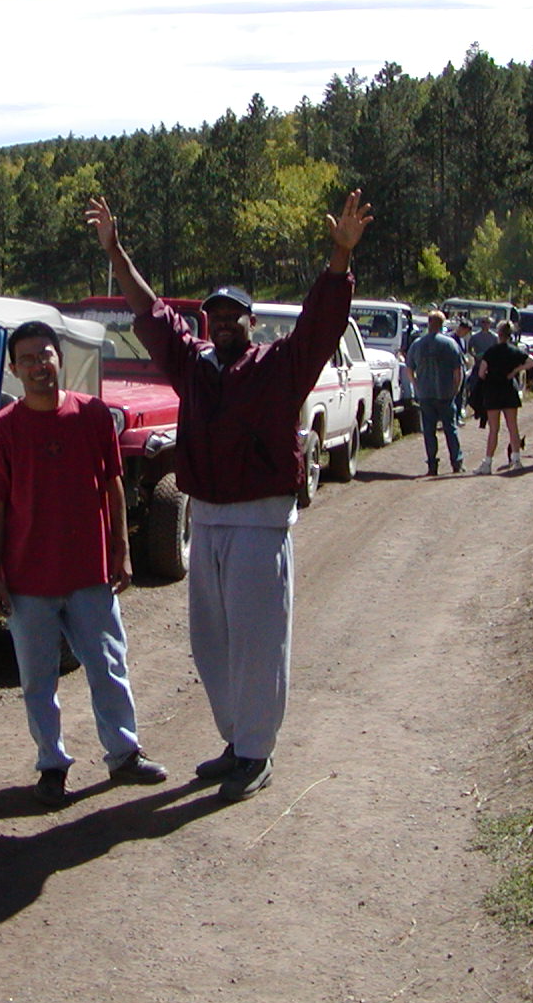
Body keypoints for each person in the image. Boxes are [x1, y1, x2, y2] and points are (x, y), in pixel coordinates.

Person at [88, 190, 371, 803]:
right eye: (213, 316)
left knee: (258, 641)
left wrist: (339, 260)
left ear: (251, 321)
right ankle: (236, 738)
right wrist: (116, 252)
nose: (221, 323)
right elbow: (152, 312)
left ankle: (257, 752)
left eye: (232, 315)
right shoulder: (192, 367)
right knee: (211, 641)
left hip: (259, 525)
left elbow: (320, 325)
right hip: (209, 521)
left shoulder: (280, 365)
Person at [0, 320, 167, 807]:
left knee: (108, 665)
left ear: (60, 360)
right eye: (28, 359)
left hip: (89, 573)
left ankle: (124, 753)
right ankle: (51, 765)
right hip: (27, 579)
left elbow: (113, 484)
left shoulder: (94, 417)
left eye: (46, 356)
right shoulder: (0, 431)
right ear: (13, 370)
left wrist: (120, 548)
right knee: (38, 679)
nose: (39, 366)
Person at [405, 309, 465, 476]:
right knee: (450, 428)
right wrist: (456, 389)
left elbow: (409, 368)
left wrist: (416, 385)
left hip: (425, 393)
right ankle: (456, 462)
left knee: (429, 430)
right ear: (442, 324)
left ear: (429, 323)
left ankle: (432, 464)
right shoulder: (450, 344)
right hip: (445, 393)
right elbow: (457, 370)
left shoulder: (417, 344)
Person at [472, 319, 533, 474]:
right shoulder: (514, 351)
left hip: (493, 390)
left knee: (494, 429)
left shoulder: (491, 351)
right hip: (508, 389)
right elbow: (532, 361)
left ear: (498, 334)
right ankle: (516, 460)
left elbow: (481, 372)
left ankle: (487, 463)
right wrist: (515, 371)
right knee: (512, 427)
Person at [451, 317, 475, 426]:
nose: (466, 334)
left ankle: (458, 416)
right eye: (466, 331)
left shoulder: (463, 340)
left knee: (461, 394)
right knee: (455, 395)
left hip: (463, 370)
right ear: (461, 328)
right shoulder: (452, 339)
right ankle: (454, 417)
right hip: (454, 371)